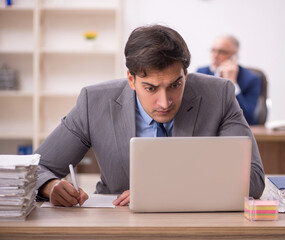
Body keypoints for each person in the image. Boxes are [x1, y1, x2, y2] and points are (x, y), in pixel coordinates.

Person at [35, 25, 265, 207]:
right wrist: (50, 186)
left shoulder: (219, 94)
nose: (165, 102)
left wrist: (163, 191)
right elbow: (35, 168)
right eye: (151, 88)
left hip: (195, 224)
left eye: (175, 85)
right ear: (131, 79)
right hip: (117, 224)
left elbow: (253, 180)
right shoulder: (94, 102)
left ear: (185, 74)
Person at [197, 36, 262, 125]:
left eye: (221, 52)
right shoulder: (201, 73)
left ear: (234, 55)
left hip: (236, 130)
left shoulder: (251, 79)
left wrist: (232, 82)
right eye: (213, 50)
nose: (215, 55)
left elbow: (248, 117)